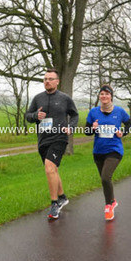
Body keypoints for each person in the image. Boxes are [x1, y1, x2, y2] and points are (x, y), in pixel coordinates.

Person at [26, 68, 79, 219]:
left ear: (57, 81)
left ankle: (54, 203)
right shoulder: (38, 98)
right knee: (53, 170)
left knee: (49, 169)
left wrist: (70, 127)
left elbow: (74, 115)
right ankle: (62, 197)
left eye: (50, 79)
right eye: (45, 79)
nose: (47, 81)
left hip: (59, 138)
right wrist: (36, 115)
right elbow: (28, 116)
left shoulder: (65, 98)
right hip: (43, 140)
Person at [84, 85, 131, 221]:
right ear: (99, 96)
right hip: (98, 151)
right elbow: (87, 132)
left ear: (111, 96)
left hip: (114, 150)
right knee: (105, 180)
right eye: (102, 94)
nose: (104, 96)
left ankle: (108, 206)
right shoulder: (93, 112)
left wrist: (123, 133)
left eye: (107, 94)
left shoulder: (119, 111)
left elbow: (129, 125)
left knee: (105, 177)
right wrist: (92, 128)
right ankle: (112, 200)